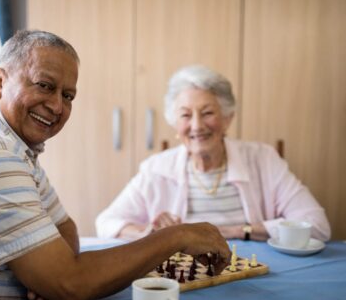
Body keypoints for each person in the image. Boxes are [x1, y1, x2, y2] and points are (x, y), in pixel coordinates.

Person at [0, 30, 230, 300]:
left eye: (67, 96)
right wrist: (177, 236)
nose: (56, 106)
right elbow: (70, 286)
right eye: (44, 85)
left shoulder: (9, 141)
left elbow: (66, 229)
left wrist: (51, 274)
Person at [96, 65, 331, 242]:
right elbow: (106, 223)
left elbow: (317, 226)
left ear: (227, 118)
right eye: (186, 115)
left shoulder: (263, 159)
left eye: (208, 113)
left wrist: (236, 231)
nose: (197, 126)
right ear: (175, 123)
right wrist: (147, 233)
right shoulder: (156, 168)